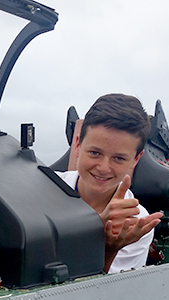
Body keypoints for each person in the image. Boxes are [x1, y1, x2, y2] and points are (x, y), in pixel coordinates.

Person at [59, 93, 163, 273]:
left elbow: (103, 295)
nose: (104, 168)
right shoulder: (44, 186)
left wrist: (108, 249)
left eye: (119, 158)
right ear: (77, 145)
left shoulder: (135, 223)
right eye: (95, 153)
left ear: (136, 160)